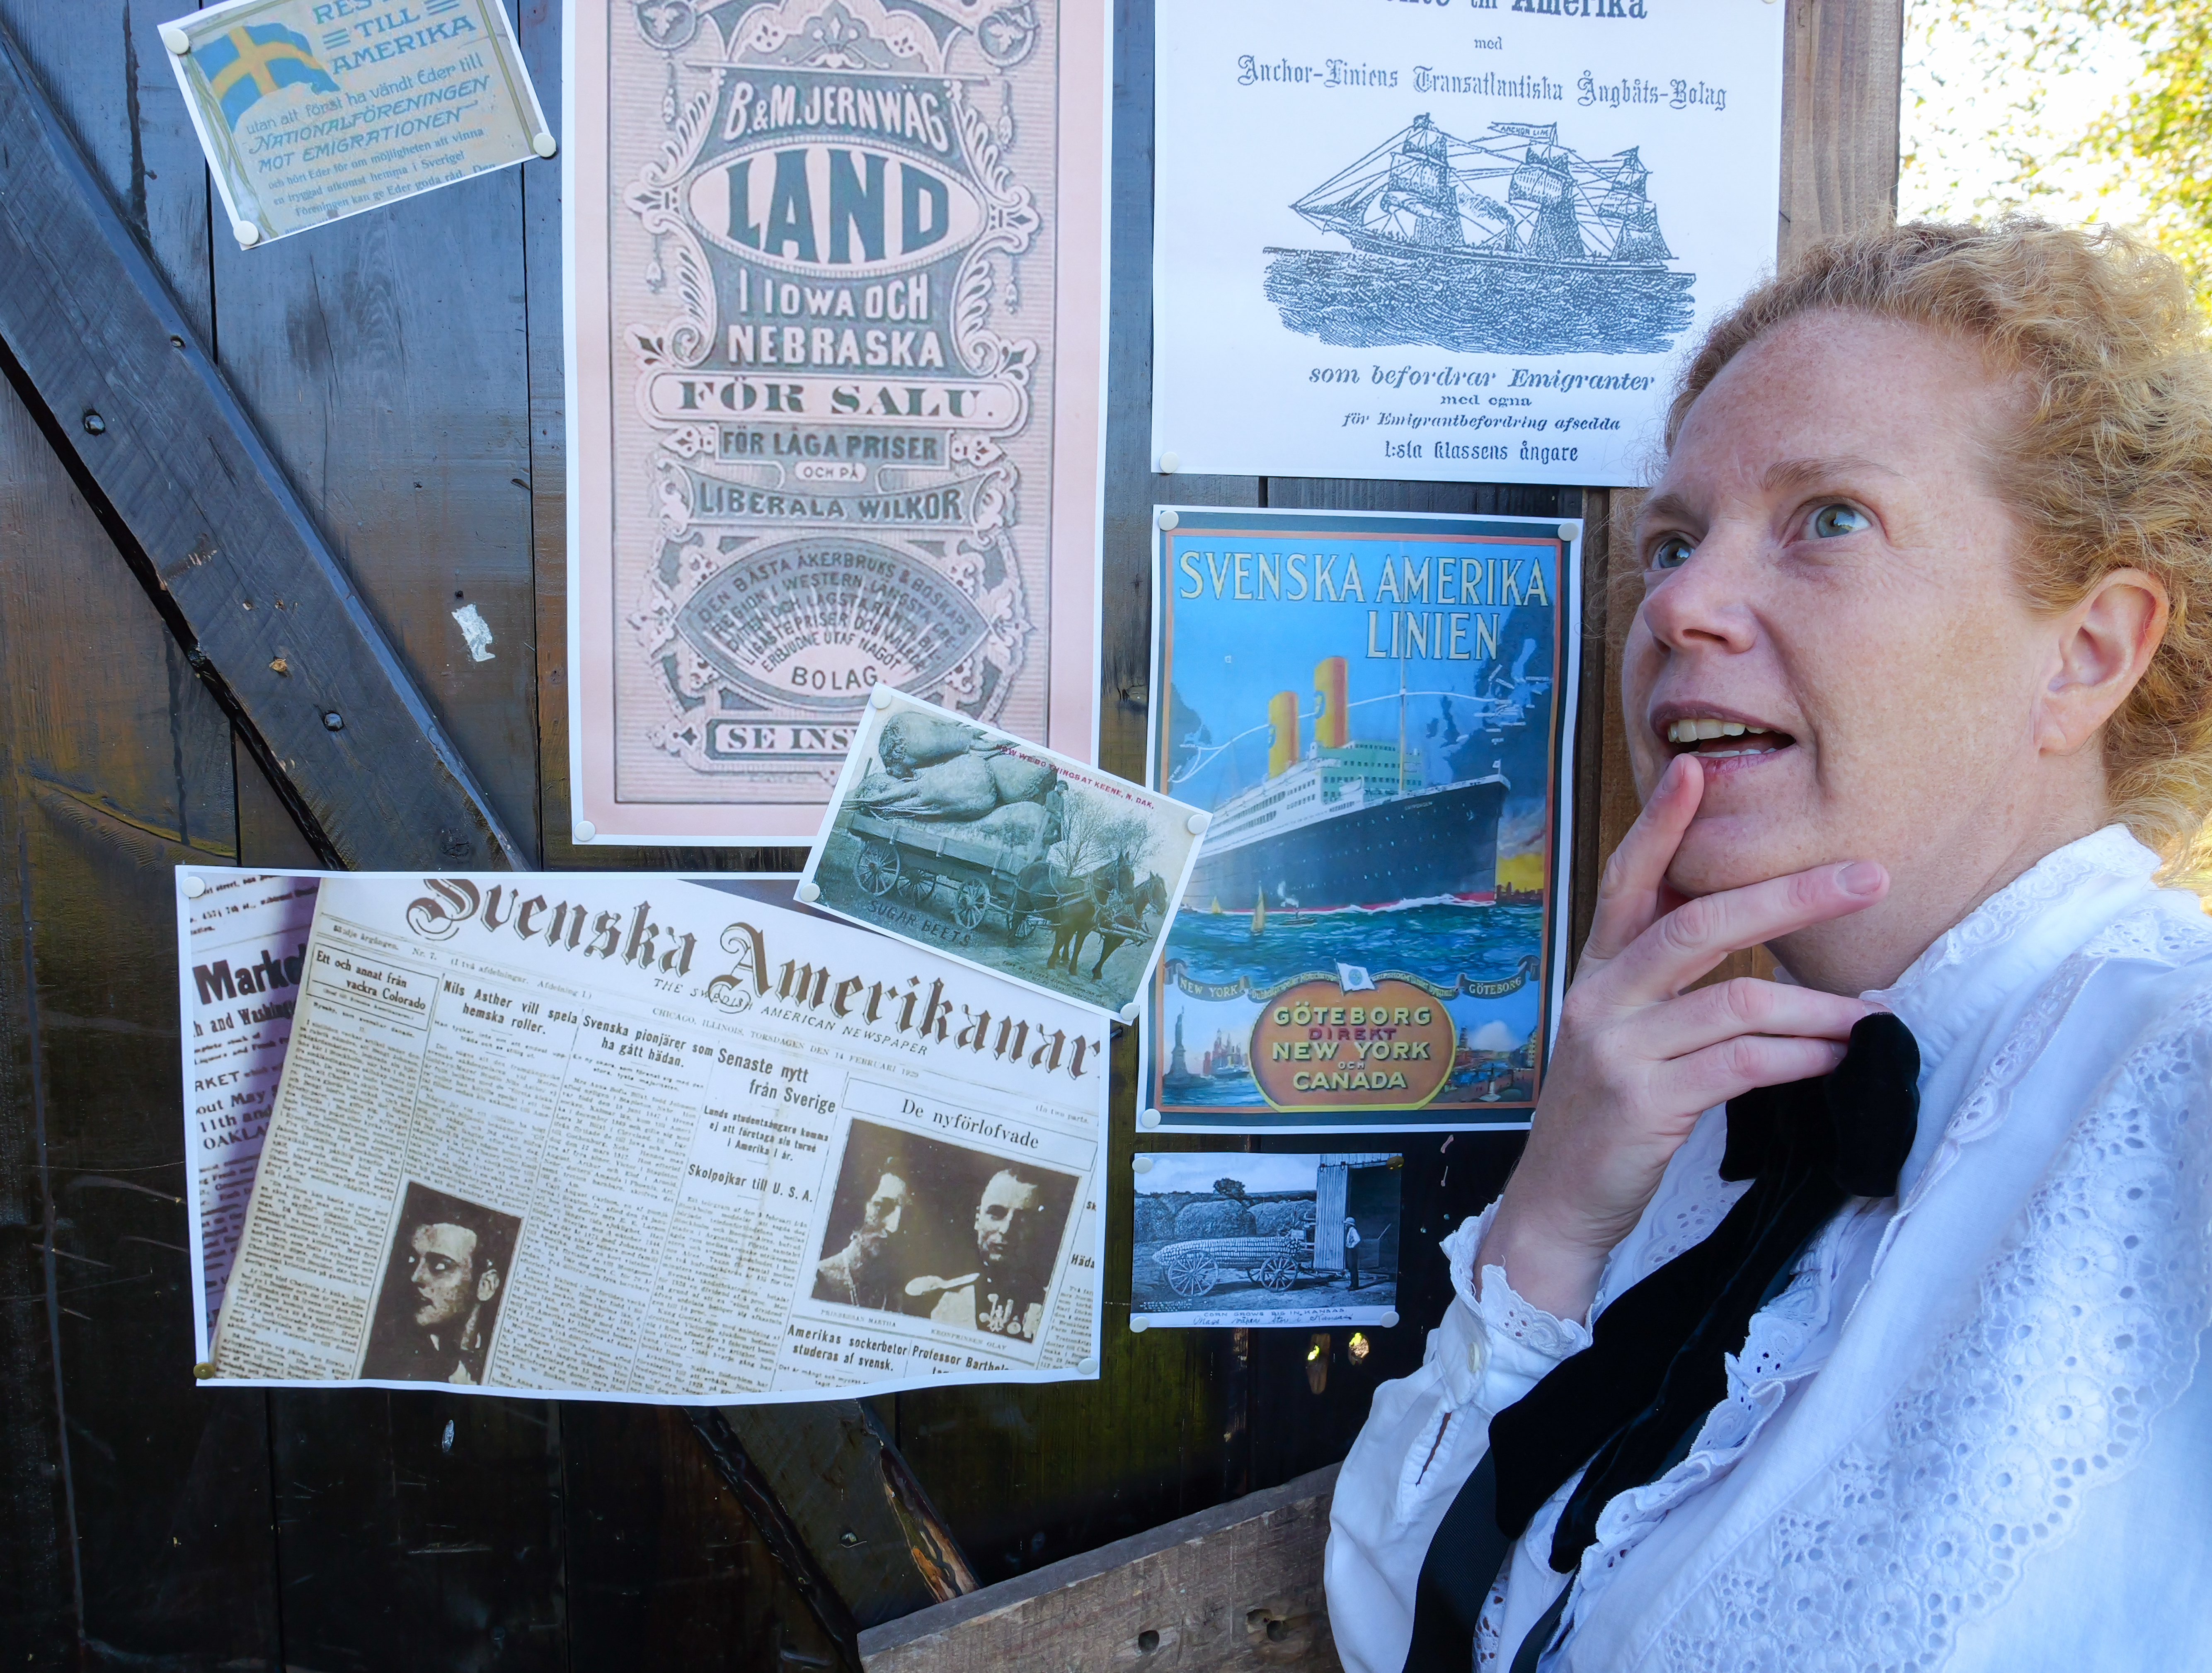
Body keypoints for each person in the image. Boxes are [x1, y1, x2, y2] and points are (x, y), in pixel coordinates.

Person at [1326, 221, 2212, 1672]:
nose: (1673, 603)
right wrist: (1552, 1212)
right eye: (1671, 541)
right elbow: (1391, 1627)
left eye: (1827, 519)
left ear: (2088, 652)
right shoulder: (1687, 1132)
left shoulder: (2171, 1071)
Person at [360, 1200, 511, 1385]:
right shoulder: (384, 1362)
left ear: (485, 1286)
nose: (416, 1277)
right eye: (412, 1261)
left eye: (440, 1266)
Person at [906, 1165, 1051, 1339]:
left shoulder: (1050, 1307)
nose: (1006, 1230)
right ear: (978, 1219)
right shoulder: (939, 1299)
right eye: (996, 1214)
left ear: (1037, 1228)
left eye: (1023, 1219)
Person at [814, 1161, 911, 1309]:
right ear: (860, 1207)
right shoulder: (821, 1278)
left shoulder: (897, 1287)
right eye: (884, 1206)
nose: (895, 1226)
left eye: (906, 1213)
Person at [1344, 1216, 1364, 1292]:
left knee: (1353, 1268)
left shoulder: (1353, 1230)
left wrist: (1352, 1246)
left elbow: (1358, 1239)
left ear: (1350, 1224)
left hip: (1352, 1251)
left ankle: (1355, 1285)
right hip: (1350, 1250)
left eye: (1347, 1224)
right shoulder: (1350, 1230)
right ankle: (1352, 1284)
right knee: (1351, 1267)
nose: (1346, 1225)